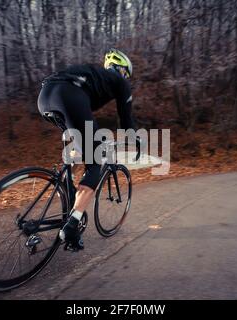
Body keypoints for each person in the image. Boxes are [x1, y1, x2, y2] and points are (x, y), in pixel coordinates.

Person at [37, 48, 136, 251]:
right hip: (68, 96)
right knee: (96, 163)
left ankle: (67, 189)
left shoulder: (95, 76)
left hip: (45, 96)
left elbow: (83, 113)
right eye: (127, 74)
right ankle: (72, 226)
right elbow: (126, 122)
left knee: (76, 153)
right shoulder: (121, 82)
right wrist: (136, 141)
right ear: (123, 71)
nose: (126, 78)